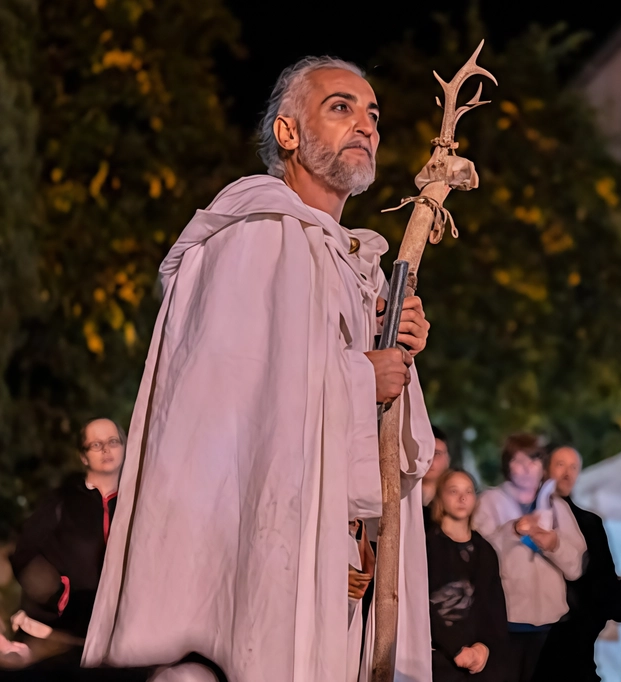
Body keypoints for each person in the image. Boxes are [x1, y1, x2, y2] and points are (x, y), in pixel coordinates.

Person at [82, 56, 437, 681]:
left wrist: (399, 356)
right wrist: (363, 377)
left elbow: (391, 453)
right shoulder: (252, 235)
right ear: (288, 133)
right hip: (261, 559)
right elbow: (230, 415)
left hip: (339, 568)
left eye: (373, 114)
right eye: (341, 107)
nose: (366, 125)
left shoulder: (361, 269)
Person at [6, 418, 126, 668]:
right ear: (83, 457)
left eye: (113, 441)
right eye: (96, 444)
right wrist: (57, 596)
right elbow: (24, 555)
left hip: (116, 641)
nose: (106, 449)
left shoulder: (137, 506)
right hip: (57, 640)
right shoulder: (62, 501)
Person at [473, 434, 586, 682]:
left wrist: (554, 545)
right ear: (506, 465)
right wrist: (512, 531)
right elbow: (478, 559)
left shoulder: (558, 507)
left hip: (551, 626)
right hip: (505, 626)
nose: (526, 468)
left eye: (533, 461)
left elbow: (576, 567)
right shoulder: (489, 503)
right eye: (518, 461)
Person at [535, 445, 621, 681]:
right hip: (533, 631)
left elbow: (604, 577)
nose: (567, 473)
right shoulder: (525, 516)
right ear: (544, 469)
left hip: (576, 632)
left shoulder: (590, 523)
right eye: (560, 465)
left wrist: (590, 622)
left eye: (573, 467)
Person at [428, 469, 509, 682]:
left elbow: (494, 606)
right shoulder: (427, 546)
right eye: (453, 491)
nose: (462, 498)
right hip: (437, 659)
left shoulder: (485, 551)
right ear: (440, 497)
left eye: (469, 491)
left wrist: (484, 647)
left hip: (479, 662)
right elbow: (421, 604)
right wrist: (455, 649)